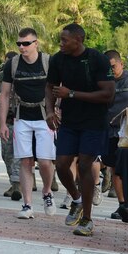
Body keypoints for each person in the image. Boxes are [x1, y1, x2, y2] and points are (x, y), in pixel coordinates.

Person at [45, 23, 115, 237]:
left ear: (79, 40)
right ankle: (76, 200)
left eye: (65, 40)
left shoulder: (97, 59)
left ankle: (87, 219)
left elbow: (108, 94)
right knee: (62, 164)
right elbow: (50, 87)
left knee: (85, 165)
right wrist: (49, 111)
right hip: (70, 122)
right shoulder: (58, 59)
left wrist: (72, 94)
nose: (61, 43)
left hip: (94, 122)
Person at [0, 28, 57, 219]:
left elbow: (60, 88)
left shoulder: (48, 61)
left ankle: (47, 192)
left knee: (45, 161)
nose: (22, 47)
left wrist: (58, 112)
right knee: (25, 160)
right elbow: (5, 95)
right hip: (22, 116)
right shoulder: (12, 64)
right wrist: (3, 124)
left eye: (26, 43)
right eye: (19, 44)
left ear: (36, 43)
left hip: (44, 116)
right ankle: (27, 204)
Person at [102, 50, 128, 223]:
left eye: (113, 66)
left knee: (125, 170)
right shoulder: (102, 82)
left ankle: (127, 204)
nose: (111, 71)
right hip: (109, 132)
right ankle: (124, 205)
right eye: (107, 68)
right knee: (114, 168)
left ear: (121, 64)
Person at [0, 51, 22, 200]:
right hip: (6, 121)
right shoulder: (0, 77)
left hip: (23, 121)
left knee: (20, 155)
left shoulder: (25, 76)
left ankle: (18, 184)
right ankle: (14, 182)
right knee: (7, 154)